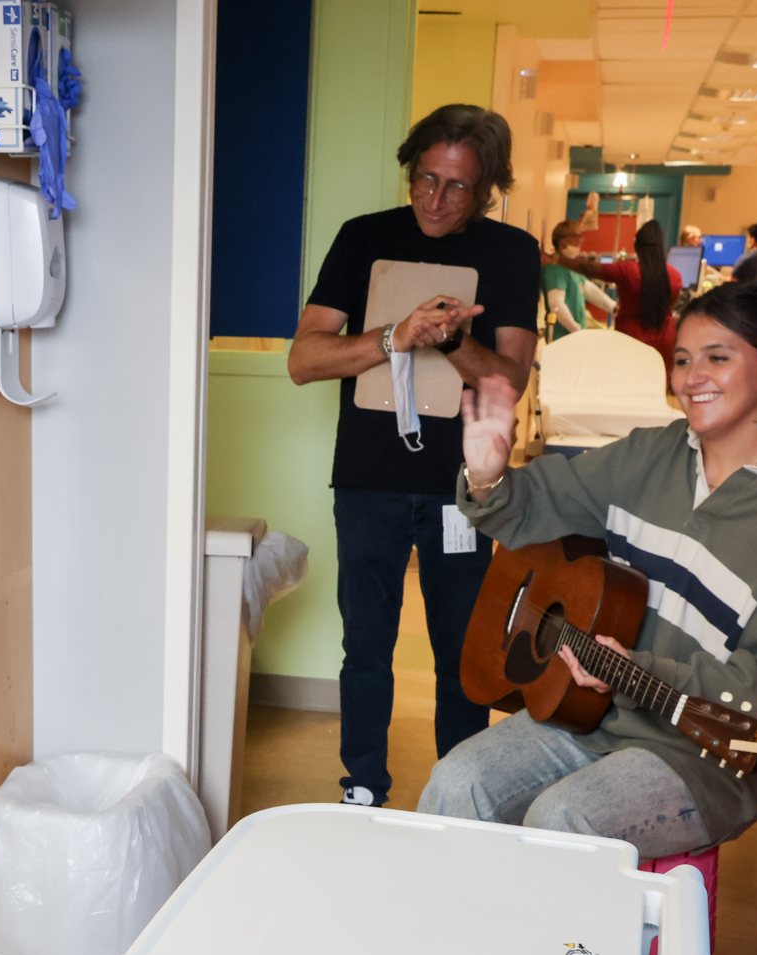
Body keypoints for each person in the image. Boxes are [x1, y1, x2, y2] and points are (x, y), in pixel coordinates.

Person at [416, 283, 757, 854]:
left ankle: (571, 952)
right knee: (457, 779)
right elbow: (525, 509)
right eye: (683, 359)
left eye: (718, 357)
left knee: (564, 819)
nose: (693, 377)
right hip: (592, 714)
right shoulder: (652, 453)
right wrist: (488, 473)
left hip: (706, 754)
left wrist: (635, 669)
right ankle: (448, 940)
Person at [289, 103, 541, 808]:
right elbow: (304, 360)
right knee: (364, 648)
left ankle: (460, 796)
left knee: (462, 652)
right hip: (368, 481)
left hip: (461, 486)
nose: (435, 199)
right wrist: (395, 336)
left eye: (457, 187)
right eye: (425, 179)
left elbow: (509, 380)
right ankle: (362, 785)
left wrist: (452, 339)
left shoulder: (512, 253)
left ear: (485, 188)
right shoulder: (363, 239)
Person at [550, 219, 686, 372]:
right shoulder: (675, 276)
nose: (579, 241)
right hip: (664, 343)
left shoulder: (628, 271)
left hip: (630, 341)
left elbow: (591, 269)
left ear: (637, 247)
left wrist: (556, 259)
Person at [541, 221, 616, 339]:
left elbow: (589, 289)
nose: (580, 240)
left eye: (581, 236)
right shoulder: (555, 269)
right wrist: (576, 330)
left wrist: (613, 307)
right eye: (575, 236)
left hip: (573, 337)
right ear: (562, 240)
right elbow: (556, 304)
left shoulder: (572, 267)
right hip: (562, 337)